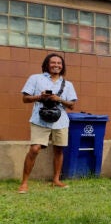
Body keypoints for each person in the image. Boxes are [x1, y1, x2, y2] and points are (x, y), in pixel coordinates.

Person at [18, 53, 78, 193]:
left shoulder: (68, 84)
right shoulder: (35, 78)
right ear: (46, 64)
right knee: (34, 149)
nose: (56, 65)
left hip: (61, 121)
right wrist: (40, 97)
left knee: (58, 150)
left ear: (62, 66)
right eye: (53, 62)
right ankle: (24, 183)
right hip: (40, 120)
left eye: (59, 63)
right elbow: (25, 99)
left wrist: (59, 99)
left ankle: (56, 180)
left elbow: (72, 105)